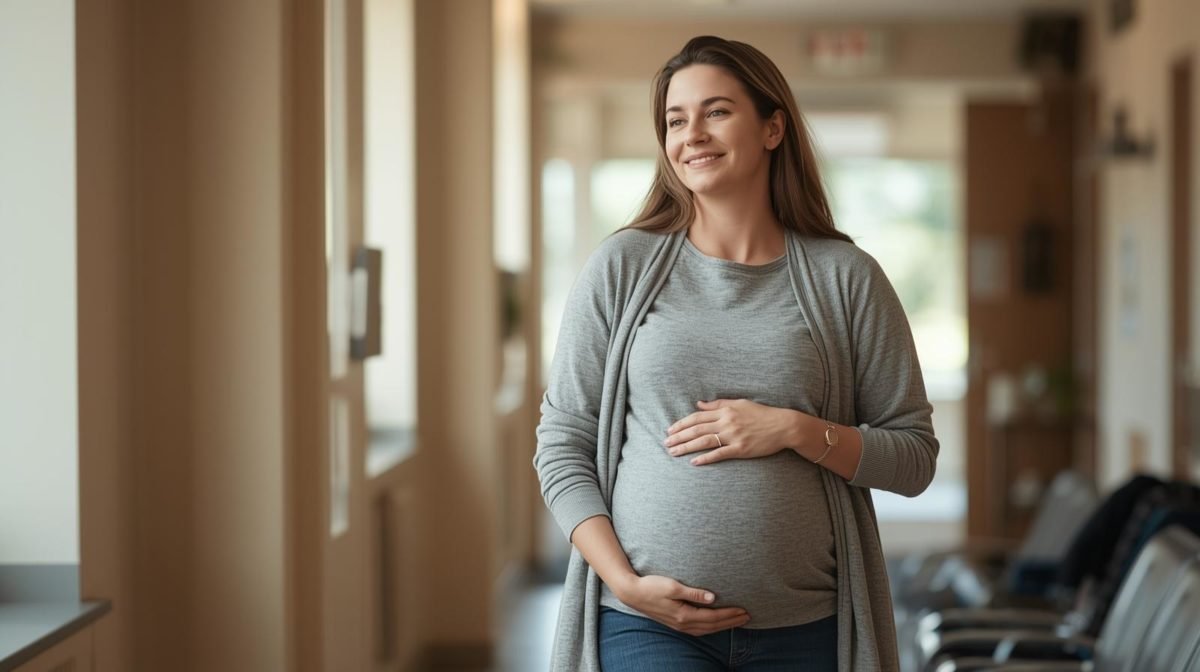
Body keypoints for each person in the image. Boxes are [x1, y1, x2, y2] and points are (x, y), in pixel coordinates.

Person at [533, 35, 938, 672]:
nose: (692, 133)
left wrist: (796, 430)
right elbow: (561, 443)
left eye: (716, 112)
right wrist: (625, 581)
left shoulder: (848, 277)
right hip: (646, 625)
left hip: (807, 631)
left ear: (773, 127)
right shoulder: (622, 267)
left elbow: (913, 457)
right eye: (675, 119)